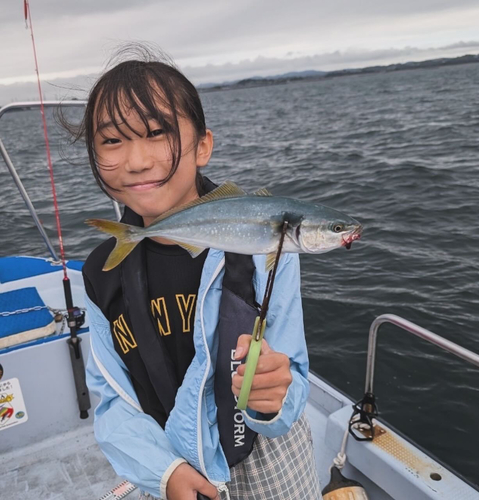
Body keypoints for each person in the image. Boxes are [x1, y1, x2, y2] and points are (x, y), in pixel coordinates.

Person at [80, 47, 322, 500]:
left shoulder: (265, 245)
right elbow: (113, 400)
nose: (136, 160)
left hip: (268, 457)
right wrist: (164, 472)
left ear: (203, 146)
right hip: (172, 463)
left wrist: (274, 397)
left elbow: (295, 376)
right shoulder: (99, 274)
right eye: (112, 140)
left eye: (157, 133)